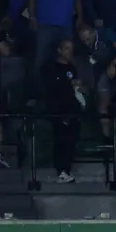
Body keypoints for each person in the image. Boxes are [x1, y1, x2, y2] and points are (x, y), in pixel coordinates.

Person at [43, 37, 84, 183]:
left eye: (71, 49)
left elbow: (74, 89)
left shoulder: (72, 68)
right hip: (57, 109)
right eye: (66, 48)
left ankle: (66, 170)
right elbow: (51, 89)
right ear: (59, 50)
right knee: (61, 139)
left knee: (72, 140)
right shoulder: (50, 68)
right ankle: (61, 170)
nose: (69, 52)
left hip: (72, 110)